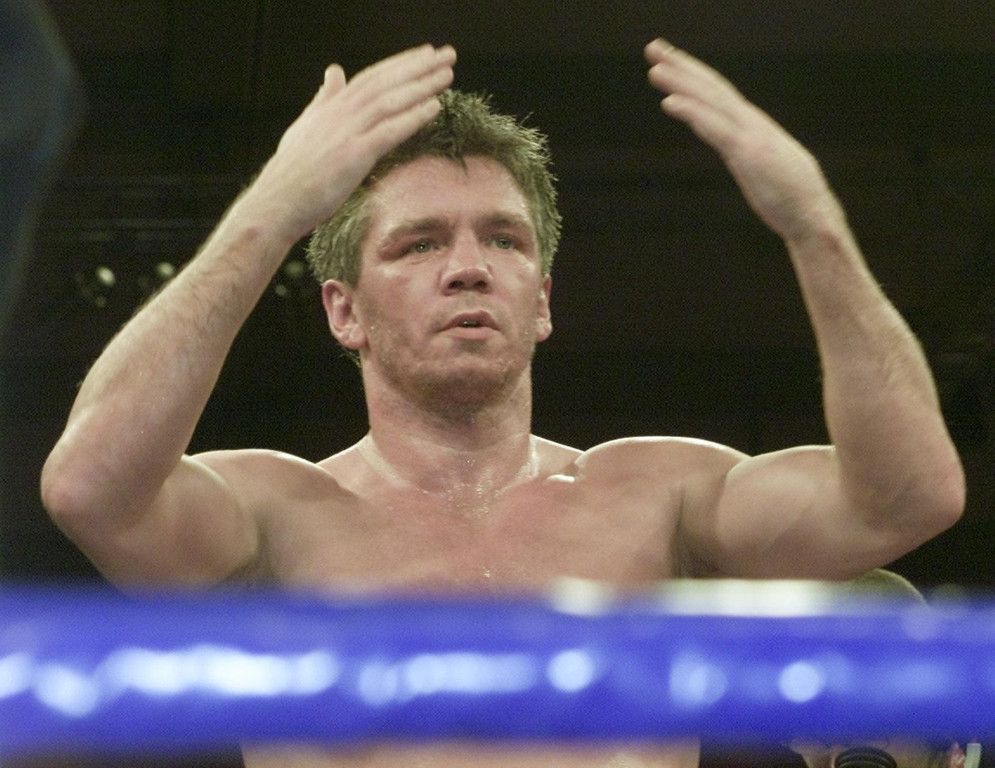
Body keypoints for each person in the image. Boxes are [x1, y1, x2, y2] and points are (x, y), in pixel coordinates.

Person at [40, 39, 965, 768]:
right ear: (343, 310)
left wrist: (812, 225)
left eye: (503, 239)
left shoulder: (664, 497)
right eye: (418, 244)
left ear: (543, 299)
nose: (468, 267)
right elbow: (89, 488)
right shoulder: (270, 517)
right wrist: (270, 211)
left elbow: (907, 496)